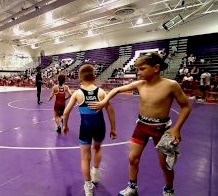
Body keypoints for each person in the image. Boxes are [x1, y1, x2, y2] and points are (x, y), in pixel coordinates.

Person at [88, 52, 192, 196]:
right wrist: (104, 101)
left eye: (142, 68)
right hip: (142, 126)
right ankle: (132, 187)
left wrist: (177, 128)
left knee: (165, 165)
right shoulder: (140, 84)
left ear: (156, 68)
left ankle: (169, 190)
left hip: (161, 129)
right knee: (133, 159)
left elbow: (186, 107)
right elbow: (116, 89)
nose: (138, 72)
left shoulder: (171, 85)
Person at [63, 64, 117, 196]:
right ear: (94, 77)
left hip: (85, 127)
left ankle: (88, 187)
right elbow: (110, 110)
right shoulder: (101, 92)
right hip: (99, 125)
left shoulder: (77, 93)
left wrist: (65, 125)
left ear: (80, 78)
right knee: (97, 148)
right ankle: (96, 173)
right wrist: (113, 128)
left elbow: (66, 112)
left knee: (85, 158)